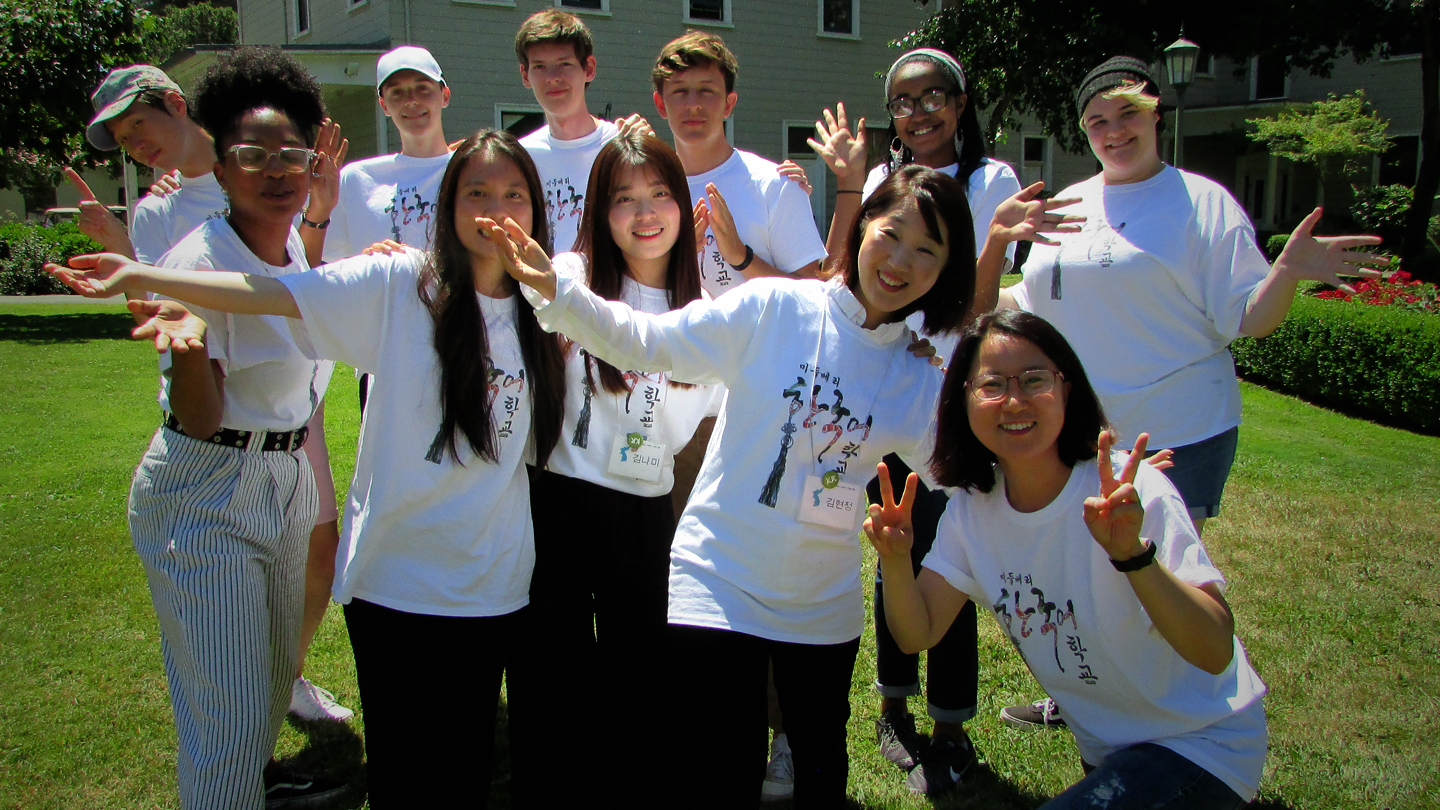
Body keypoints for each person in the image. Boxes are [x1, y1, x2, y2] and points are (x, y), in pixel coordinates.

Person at [49, 129, 568, 808]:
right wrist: (139, 273)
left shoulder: (547, 307)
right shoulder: (398, 284)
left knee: (467, 767)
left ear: (536, 210)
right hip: (396, 585)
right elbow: (272, 292)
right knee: (407, 776)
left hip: (494, 586)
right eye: (477, 191)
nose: (495, 208)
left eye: (514, 195)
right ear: (448, 203)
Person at [486, 164, 980, 809]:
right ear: (861, 229)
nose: (900, 262)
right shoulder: (773, 305)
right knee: (718, 775)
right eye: (891, 235)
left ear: (945, 270)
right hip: (716, 579)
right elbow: (648, 341)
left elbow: (972, 476)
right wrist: (560, 293)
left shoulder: (916, 379)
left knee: (823, 776)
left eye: (927, 251)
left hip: (819, 603)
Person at [973, 56, 1385, 730]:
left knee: (1157, 581)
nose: (1113, 131)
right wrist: (988, 260)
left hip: (1181, 431)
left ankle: (1184, 718)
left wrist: (1286, 272)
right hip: (1088, 439)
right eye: (1097, 120)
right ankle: (1090, 694)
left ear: (1155, 111)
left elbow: (1247, 318)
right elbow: (1027, 306)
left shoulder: (1201, 202)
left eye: (1127, 114)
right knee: (1095, 575)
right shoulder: (1068, 206)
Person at [58, 47, 346, 809]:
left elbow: (298, 302)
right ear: (220, 169)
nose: (277, 170)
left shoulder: (285, 242)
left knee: (266, 679)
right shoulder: (202, 256)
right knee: (224, 710)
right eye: (253, 157)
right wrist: (185, 347)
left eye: (292, 154)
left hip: (281, 476)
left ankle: (250, 793)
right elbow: (198, 414)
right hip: (206, 487)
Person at [865, 308, 1268, 809]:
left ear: (1067, 388)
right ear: (963, 400)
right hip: (1107, 752)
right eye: (991, 385)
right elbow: (917, 632)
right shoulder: (973, 511)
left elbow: (1215, 651)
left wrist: (1132, 557)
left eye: (1034, 379)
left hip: (1201, 743)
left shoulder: (1127, 490)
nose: (1014, 400)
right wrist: (898, 560)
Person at [809, 46, 1024, 794]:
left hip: (954, 397)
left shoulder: (992, 180)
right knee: (892, 546)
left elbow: (975, 306)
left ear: (961, 106)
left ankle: (952, 725)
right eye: (904, 101)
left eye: (934, 97)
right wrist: (844, 185)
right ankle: (893, 709)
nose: (919, 112)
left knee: (949, 560)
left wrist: (992, 243)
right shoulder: (879, 180)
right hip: (885, 385)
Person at [506, 130, 720, 805]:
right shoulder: (567, 277)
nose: (645, 213)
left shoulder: (706, 316)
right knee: (548, 664)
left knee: (641, 668)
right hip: (556, 499)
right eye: (624, 199)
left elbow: (693, 423)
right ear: (600, 210)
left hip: (643, 511)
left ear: (685, 208)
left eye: (660, 195)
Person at [651, 30, 827, 299]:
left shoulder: (775, 185)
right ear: (661, 105)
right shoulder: (647, 194)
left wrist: (741, 258)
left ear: (728, 104)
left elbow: (815, 297)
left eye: (706, 91)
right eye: (680, 91)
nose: (694, 104)